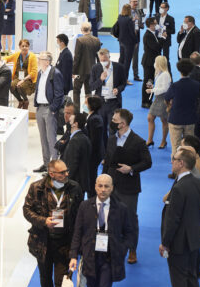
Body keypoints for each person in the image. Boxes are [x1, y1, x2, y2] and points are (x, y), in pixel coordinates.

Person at [23, 159, 83, 287]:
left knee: (61, 278)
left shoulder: (74, 188)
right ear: (51, 174)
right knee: (45, 276)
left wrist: (78, 244)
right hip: (43, 241)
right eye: (62, 172)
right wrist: (43, 221)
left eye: (67, 171)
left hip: (65, 241)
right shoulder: (36, 188)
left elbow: (79, 215)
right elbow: (27, 210)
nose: (67, 174)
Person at [69, 174, 133, 287]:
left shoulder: (121, 208)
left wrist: (121, 249)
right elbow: (77, 232)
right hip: (90, 256)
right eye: (100, 186)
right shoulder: (85, 206)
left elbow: (130, 233)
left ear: (112, 188)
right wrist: (73, 256)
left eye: (106, 186)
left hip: (109, 259)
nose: (103, 189)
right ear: (95, 187)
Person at [160, 149, 200, 287]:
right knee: (192, 278)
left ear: (181, 163)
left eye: (174, 159)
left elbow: (173, 220)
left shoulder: (179, 187)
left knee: (179, 280)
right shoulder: (199, 183)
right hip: (194, 240)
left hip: (179, 243)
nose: (171, 161)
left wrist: (165, 243)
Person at [103, 109, 152, 265]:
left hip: (129, 187)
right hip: (111, 185)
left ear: (122, 124)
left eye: (114, 120)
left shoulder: (138, 141)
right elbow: (108, 160)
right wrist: (102, 181)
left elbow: (147, 162)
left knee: (130, 219)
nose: (112, 122)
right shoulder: (111, 139)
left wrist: (131, 169)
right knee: (110, 217)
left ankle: (132, 249)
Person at [33, 52, 64, 173]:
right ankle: (46, 164)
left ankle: (54, 166)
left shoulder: (55, 73)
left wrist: (53, 109)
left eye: (40, 59)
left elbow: (59, 93)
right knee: (43, 138)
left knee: (51, 138)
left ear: (47, 61)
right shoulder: (40, 73)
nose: (38, 61)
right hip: (40, 108)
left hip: (49, 109)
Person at [89, 48, 126, 142]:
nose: (103, 62)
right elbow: (91, 87)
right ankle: (104, 149)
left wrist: (118, 89)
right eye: (101, 60)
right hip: (100, 104)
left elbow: (123, 83)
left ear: (109, 57)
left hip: (114, 103)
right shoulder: (95, 68)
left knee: (113, 129)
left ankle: (112, 148)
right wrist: (100, 80)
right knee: (101, 129)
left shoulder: (119, 67)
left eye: (105, 60)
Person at [164, 58, 199, 156]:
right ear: (191, 70)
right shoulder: (196, 85)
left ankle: (175, 165)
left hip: (175, 119)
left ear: (179, 70)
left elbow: (166, 98)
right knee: (189, 147)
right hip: (190, 119)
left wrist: (169, 106)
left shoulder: (175, 86)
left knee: (176, 147)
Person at [72, 21, 101, 109]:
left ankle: (77, 111)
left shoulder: (80, 40)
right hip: (92, 70)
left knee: (76, 91)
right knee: (88, 92)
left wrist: (73, 71)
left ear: (81, 30)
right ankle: (88, 111)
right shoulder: (96, 40)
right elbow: (98, 55)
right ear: (90, 29)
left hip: (80, 71)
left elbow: (77, 57)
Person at [62, 112, 92, 195]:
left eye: (70, 121)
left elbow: (72, 164)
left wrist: (65, 181)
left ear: (75, 124)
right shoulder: (84, 138)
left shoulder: (76, 140)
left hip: (75, 184)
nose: (68, 122)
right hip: (81, 182)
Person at [146, 55, 172, 149]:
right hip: (157, 98)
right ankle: (150, 140)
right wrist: (153, 87)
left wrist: (152, 90)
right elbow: (160, 86)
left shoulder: (165, 74)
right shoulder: (158, 73)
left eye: (155, 62)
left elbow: (165, 89)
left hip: (163, 99)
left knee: (164, 120)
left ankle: (163, 141)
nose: (154, 64)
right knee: (150, 117)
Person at [4, 39, 38, 109]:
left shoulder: (32, 56)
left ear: (28, 47)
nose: (24, 47)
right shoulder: (17, 54)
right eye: (23, 46)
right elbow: (7, 58)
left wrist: (23, 80)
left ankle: (26, 101)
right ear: (19, 47)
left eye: (26, 46)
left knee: (20, 86)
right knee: (11, 86)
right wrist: (4, 61)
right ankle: (20, 101)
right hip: (18, 78)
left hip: (28, 79)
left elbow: (34, 72)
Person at [141, 17, 165, 108]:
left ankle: (149, 100)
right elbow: (156, 47)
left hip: (152, 61)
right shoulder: (148, 35)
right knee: (148, 81)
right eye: (155, 23)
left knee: (150, 81)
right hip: (149, 62)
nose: (157, 25)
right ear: (151, 25)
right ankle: (145, 101)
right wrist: (163, 38)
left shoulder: (152, 33)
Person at [85, 96, 105, 196]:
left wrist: (88, 153)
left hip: (93, 155)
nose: (85, 104)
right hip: (93, 153)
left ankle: (92, 197)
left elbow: (94, 140)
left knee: (91, 178)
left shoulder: (95, 119)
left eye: (86, 103)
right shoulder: (93, 116)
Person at [116, 4, 137, 82]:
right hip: (129, 43)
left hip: (121, 41)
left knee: (121, 59)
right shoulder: (129, 19)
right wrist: (136, 41)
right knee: (127, 61)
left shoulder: (120, 17)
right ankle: (125, 79)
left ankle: (118, 77)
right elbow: (132, 33)